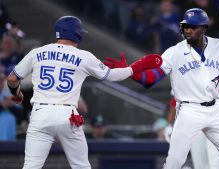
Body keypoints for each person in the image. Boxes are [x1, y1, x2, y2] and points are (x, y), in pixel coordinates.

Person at [103, 8, 219, 169]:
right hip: (189, 111)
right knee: (174, 163)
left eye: (192, 27)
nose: (187, 30)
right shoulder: (175, 52)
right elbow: (150, 79)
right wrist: (130, 72)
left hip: (216, 109)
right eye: (185, 26)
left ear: (203, 28)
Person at [6, 16, 162, 169]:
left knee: (31, 166)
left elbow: (12, 79)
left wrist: (17, 93)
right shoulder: (83, 56)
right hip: (67, 114)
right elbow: (112, 76)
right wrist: (137, 67)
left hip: (40, 113)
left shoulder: (37, 52)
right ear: (77, 33)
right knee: (81, 166)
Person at [165, 67, 219, 169]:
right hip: (194, 117)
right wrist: (169, 124)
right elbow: (176, 99)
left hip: (218, 117)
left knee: (216, 165)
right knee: (200, 165)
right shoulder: (184, 65)